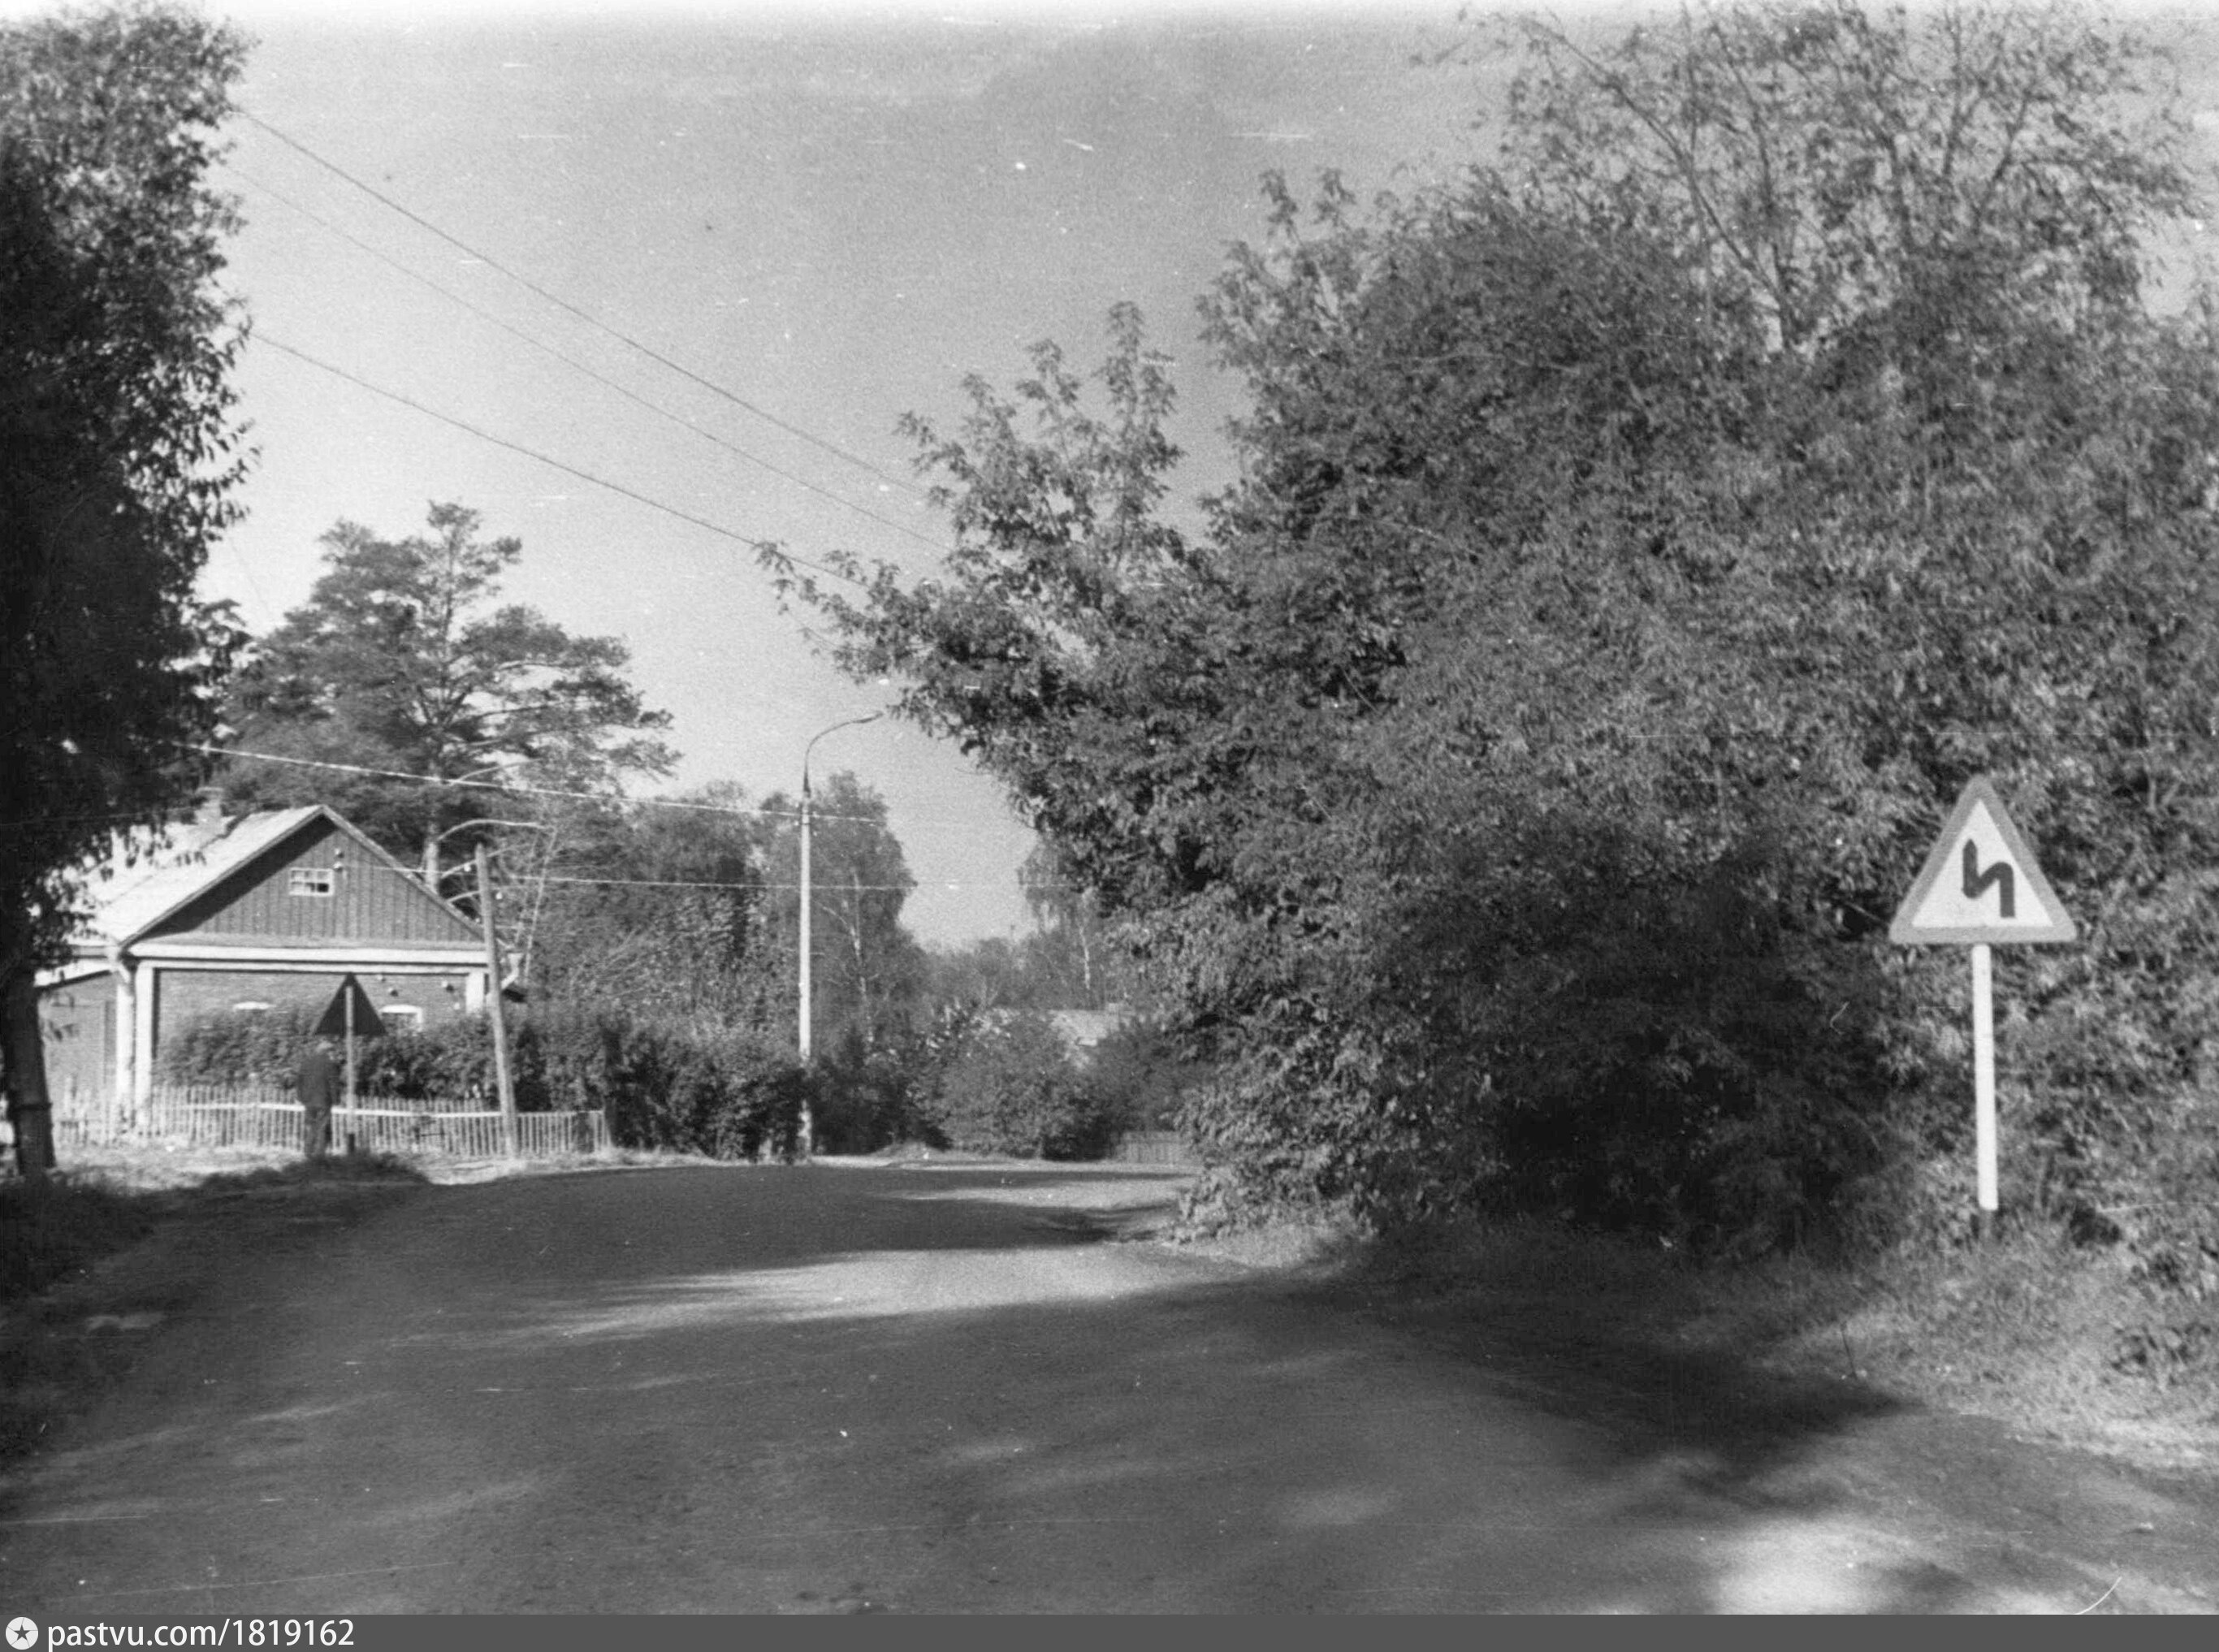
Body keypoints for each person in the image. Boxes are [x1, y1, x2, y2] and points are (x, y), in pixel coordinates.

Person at [298, 1037, 339, 1160]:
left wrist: (301, 1097)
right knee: (321, 1127)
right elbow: (333, 1083)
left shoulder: (306, 1062)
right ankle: (318, 1155)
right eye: (333, 1052)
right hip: (323, 1100)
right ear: (328, 1051)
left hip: (308, 1101)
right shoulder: (329, 1064)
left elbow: (299, 1081)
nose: (334, 1054)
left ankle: (308, 1152)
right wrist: (336, 1099)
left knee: (311, 1125)